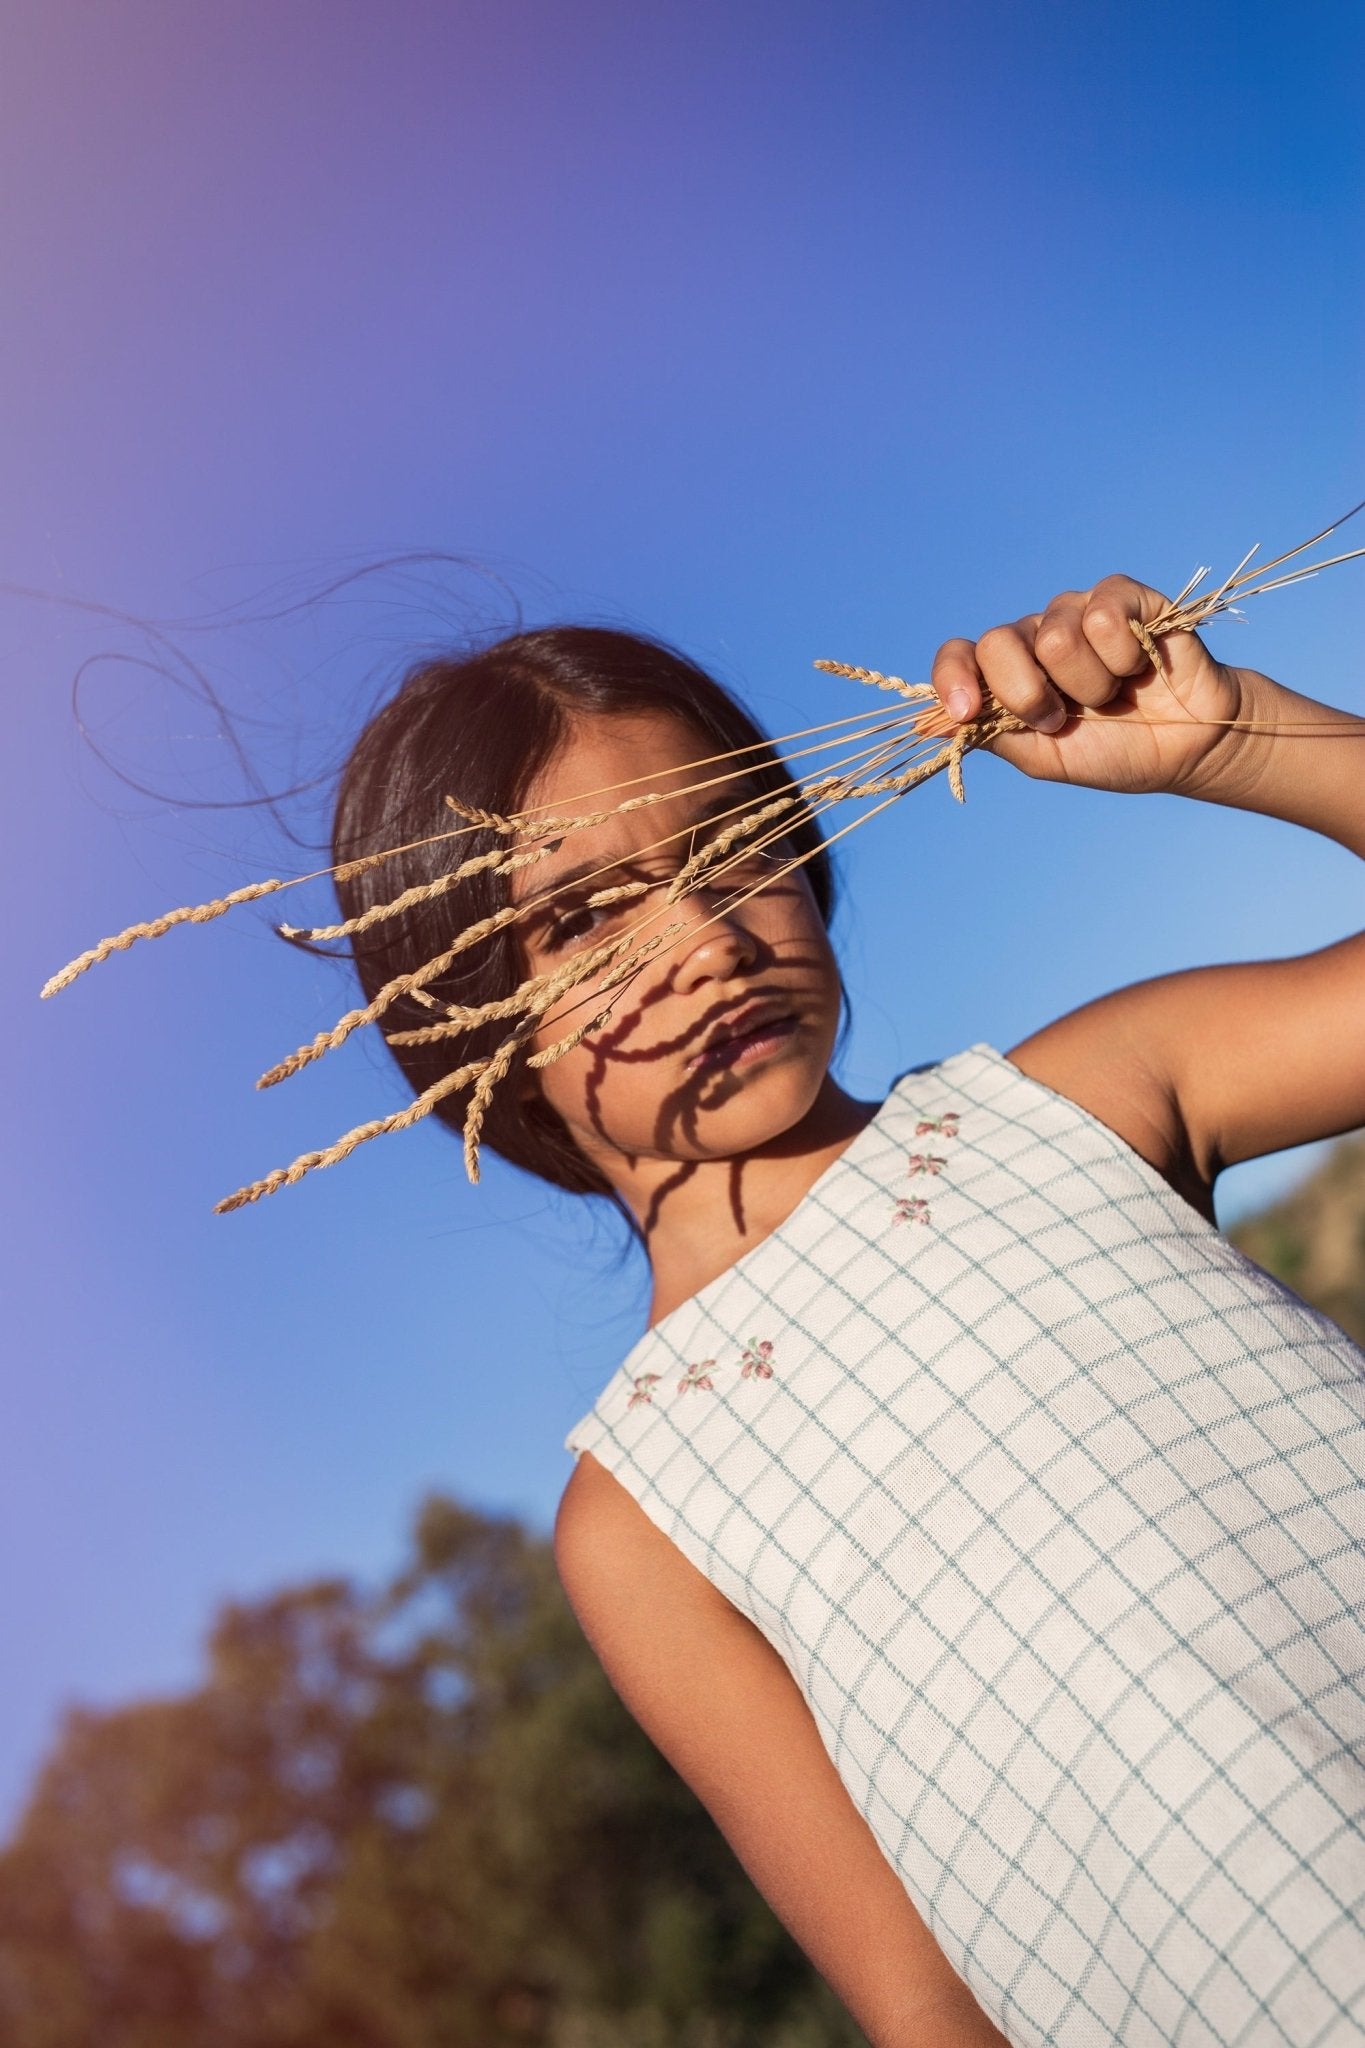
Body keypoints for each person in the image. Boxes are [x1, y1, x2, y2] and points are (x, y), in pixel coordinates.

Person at [330, 574, 1365, 2046]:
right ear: (465, 1033)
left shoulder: (1078, 1100)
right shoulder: (640, 1519)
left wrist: (1234, 737)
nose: (701, 938)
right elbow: (924, 2002)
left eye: (730, 850)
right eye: (582, 921)